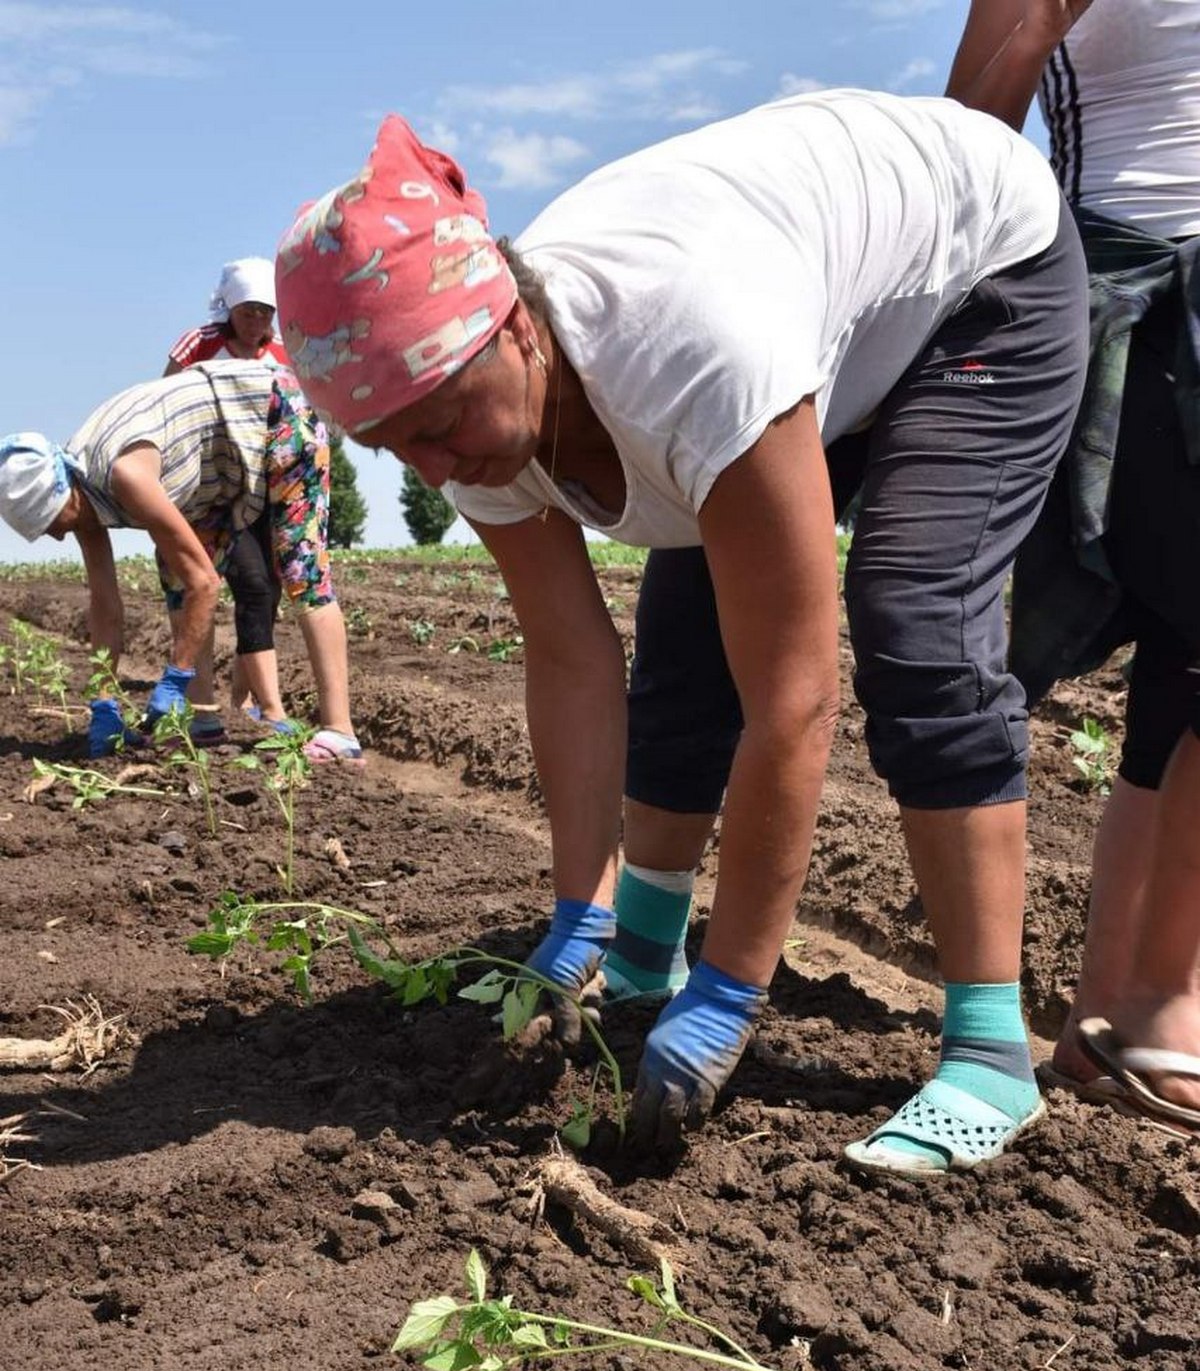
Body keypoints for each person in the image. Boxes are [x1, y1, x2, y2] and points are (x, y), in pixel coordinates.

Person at [275, 95, 1088, 1169]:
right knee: (684, 640)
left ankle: (989, 1051)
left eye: (437, 426)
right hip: (811, 299)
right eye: (393, 450)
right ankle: (640, 946)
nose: (435, 467)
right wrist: (580, 912)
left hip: (978, 276)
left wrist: (732, 990)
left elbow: (793, 705)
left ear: (515, 326)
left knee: (914, 614)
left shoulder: (684, 352)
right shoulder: (468, 406)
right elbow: (570, 656)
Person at [947, 0, 1200, 1138]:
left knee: (1181, 669)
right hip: (1142, 291)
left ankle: (1125, 1008)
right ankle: (1155, 1006)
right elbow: (968, 133)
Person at [0, 363, 361, 760]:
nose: (55, 535)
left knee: (301, 568)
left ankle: (340, 730)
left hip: (274, 413)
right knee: (175, 574)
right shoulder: (81, 495)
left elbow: (205, 583)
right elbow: (105, 606)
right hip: (212, 466)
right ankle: (203, 719)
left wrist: (174, 677)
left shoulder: (124, 474)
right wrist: (103, 704)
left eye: (51, 522)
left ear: (64, 495)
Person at [163, 256, 295, 730]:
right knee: (196, 587)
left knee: (261, 588)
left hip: (259, 488)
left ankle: (245, 701)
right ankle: (201, 704)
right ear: (229, 307)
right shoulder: (200, 343)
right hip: (203, 489)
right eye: (248, 310)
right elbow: (167, 399)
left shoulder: (283, 353)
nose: (258, 321)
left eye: (266, 311)